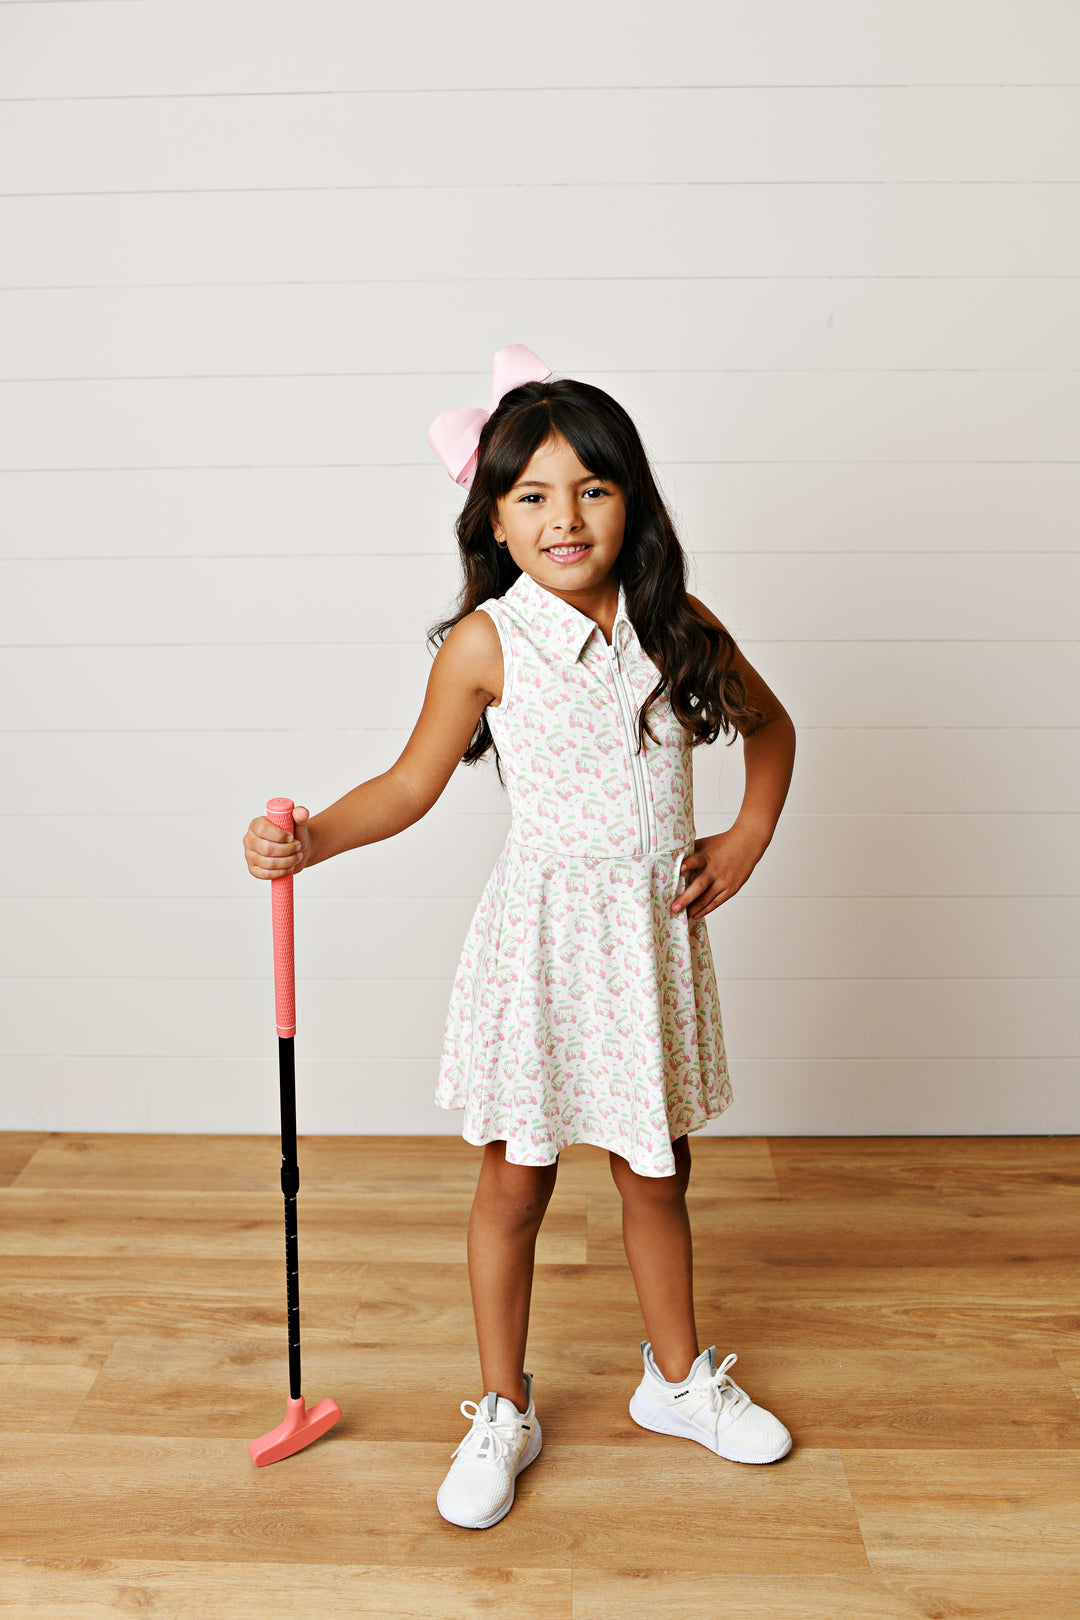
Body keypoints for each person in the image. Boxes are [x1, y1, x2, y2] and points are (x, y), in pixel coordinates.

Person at [243, 345, 798, 1531]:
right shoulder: (488, 643)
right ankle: (503, 1406)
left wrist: (747, 833)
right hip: (546, 944)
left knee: (656, 1168)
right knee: (517, 1178)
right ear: (493, 519)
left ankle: (676, 1380)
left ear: (632, 501)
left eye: (592, 489)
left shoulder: (673, 621)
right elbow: (406, 786)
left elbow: (773, 727)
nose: (565, 517)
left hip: (645, 941)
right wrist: (314, 841)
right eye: (532, 495)